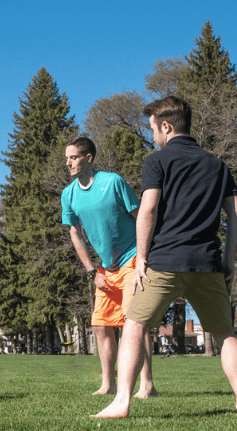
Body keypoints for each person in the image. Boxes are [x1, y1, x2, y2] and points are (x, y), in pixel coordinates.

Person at [93, 96, 237, 418]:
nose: (153, 136)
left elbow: (148, 209)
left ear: (166, 126)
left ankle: (122, 401)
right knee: (225, 333)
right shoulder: (217, 164)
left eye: (153, 129)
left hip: (164, 262)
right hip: (207, 264)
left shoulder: (157, 161)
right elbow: (236, 212)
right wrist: (229, 260)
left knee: (135, 326)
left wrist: (140, 258)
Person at [61, 136, 157, 398]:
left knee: (134, 322)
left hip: (132, 258)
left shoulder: (112, 181)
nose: (68, 162)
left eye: (74, 157)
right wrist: (93, 271)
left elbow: (140, 216)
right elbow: (75, 233)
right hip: (105, 268)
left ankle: (146, 383)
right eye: (67, 158)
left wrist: (144, 255)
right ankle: (108, 384)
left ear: (88, 158)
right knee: (101, 325)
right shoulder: (68, 194)